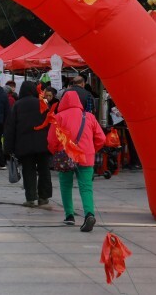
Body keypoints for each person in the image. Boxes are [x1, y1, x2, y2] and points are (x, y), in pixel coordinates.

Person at [48, 91, 106, 231]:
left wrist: (55, 151)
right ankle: (89, 214)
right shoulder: (89, 116)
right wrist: (91, 149)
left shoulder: (59, 117)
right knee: (86, 188)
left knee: (65, 185)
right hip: (86, 156)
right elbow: (102, 138)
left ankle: (69, 216)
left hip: (66, 156)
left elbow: (51, 139)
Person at [3, 81, 52, 207]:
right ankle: (44, 197)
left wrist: (8, 148)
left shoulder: (17, 105)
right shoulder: (42, 102)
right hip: (43, 144)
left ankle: (30, 198)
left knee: (28, 170)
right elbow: (51, 122)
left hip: (24, 144)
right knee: (44, 170)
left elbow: (10, 128)